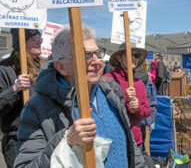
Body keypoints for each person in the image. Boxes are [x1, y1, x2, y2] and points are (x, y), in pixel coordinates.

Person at [14, 25, 144, 168]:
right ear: (61, 66)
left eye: (97, 53)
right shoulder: (38, 108)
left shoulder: (111, 92)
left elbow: (130, 147)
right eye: (85, 55)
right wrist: (67, 140)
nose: (97, 61)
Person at [0, 28, 43, 168]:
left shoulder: (43, 68)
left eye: (40, 39)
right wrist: (15, 89)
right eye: (35, 40)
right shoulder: (4, 69)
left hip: (41, 135)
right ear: (21, 43)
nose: (40, 43)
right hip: (17, 139)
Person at [105, 43, 151, 167]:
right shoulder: (107, 80)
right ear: (119, 58)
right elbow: (104, 111)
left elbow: (146, 112)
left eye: (136, 55)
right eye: (131, 54)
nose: (135, 58)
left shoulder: (139, 83)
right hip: (116, 143)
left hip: (137, 141)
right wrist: (124, 99)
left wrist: (137, 108)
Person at [134, 66, 157, 165]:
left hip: (134, 122)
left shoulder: (129, 80)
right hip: (146, 119)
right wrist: (150, 119)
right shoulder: (148, 80)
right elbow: (153, 101)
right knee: (145, 150)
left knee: (138, 151)